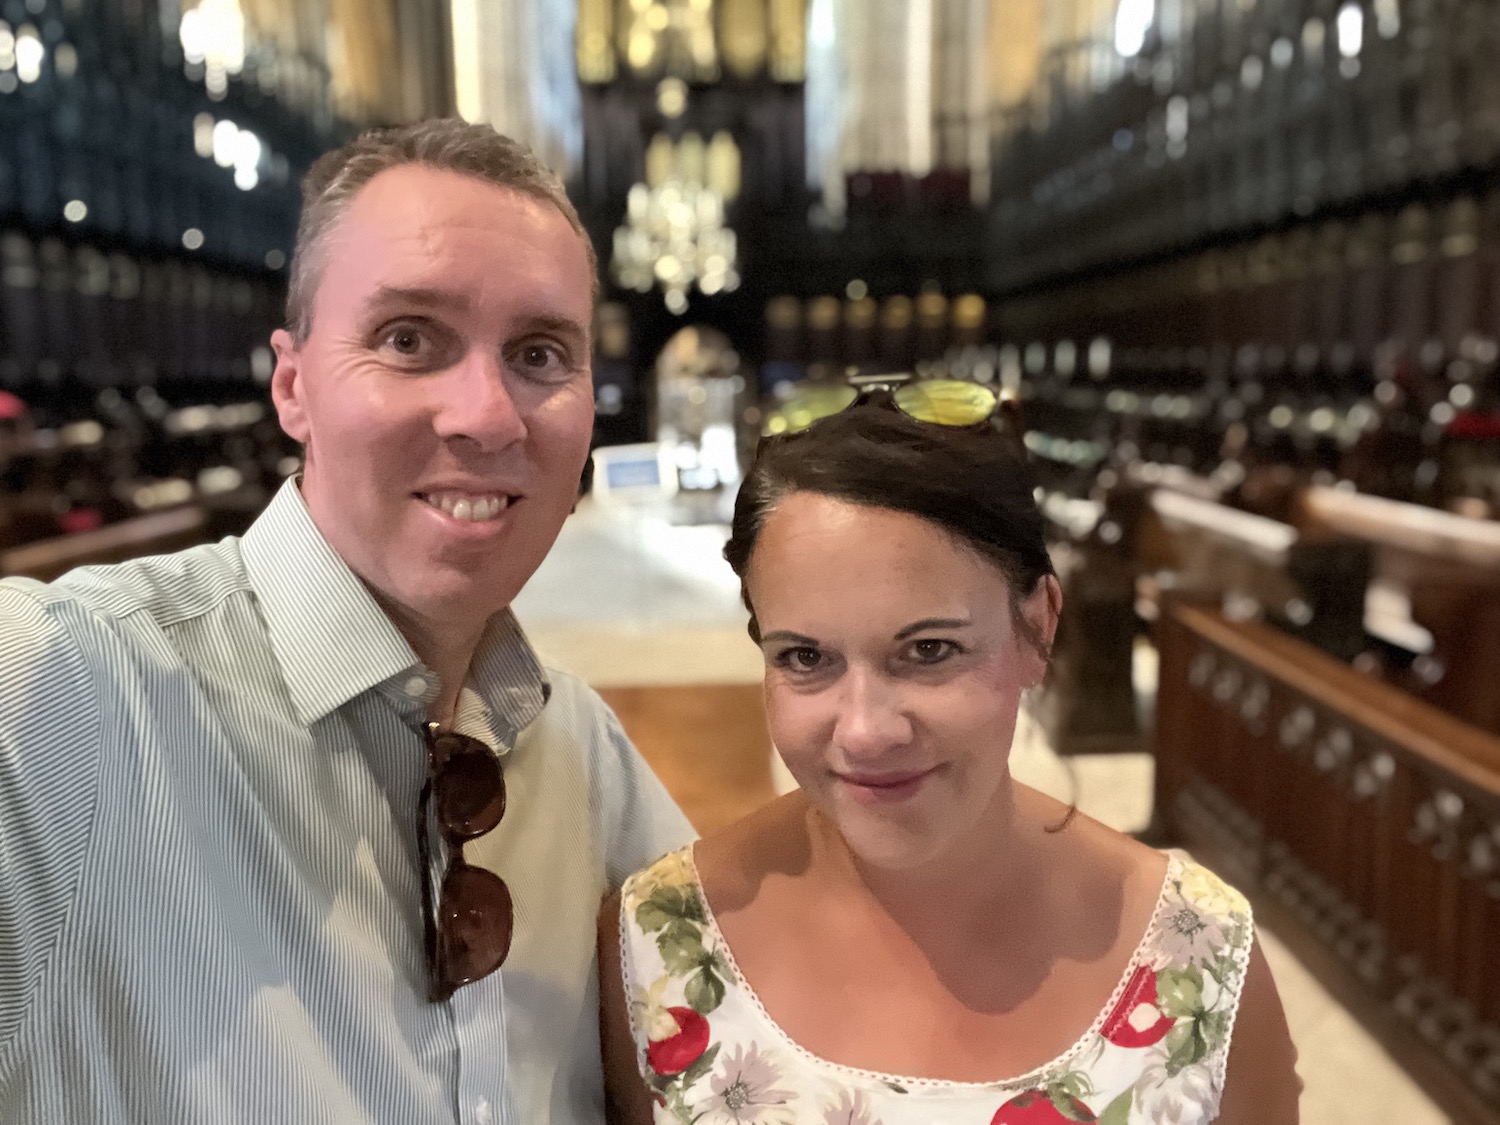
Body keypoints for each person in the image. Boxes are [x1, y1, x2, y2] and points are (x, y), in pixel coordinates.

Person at [0, 119, 694, 1123]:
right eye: (409, 339)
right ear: (294, 386)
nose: (487, 415)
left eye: (541, 353)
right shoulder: (68, 696)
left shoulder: (578, 750)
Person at [600, 379, 1300, 1124]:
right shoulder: (658, 946)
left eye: (929, 649)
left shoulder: (1200, 960)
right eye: (806, 657)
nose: (866, 730)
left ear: (1038, 626)